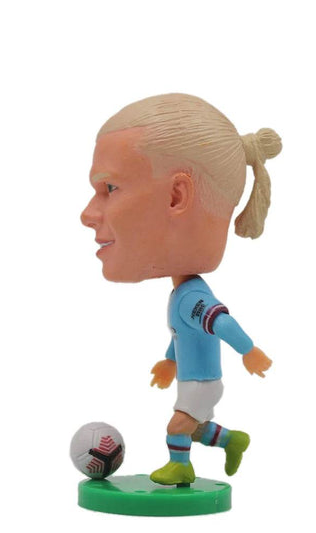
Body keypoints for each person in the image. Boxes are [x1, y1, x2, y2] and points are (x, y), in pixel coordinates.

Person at [81, 93, 281, 485]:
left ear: (177, 196)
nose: (87, 214)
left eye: (110, 187)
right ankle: (233, 440)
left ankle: (181, 467)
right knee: (195, 427)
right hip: (195, 377)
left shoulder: (192, 298)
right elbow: (185, 335)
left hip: (202, 381)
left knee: (178, 426)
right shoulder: (184, 295)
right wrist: (170, 360)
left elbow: (222, 324)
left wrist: (249, 351)